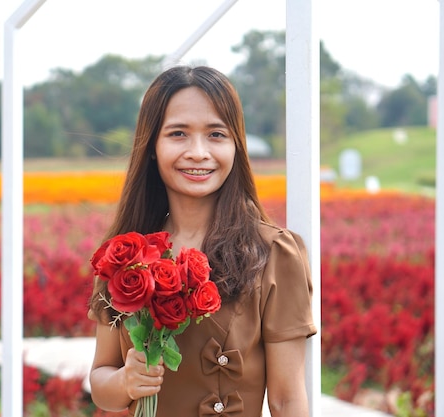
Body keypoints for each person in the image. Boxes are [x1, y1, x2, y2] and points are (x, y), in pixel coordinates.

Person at [88, 65, 317, 417]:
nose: (198, 152)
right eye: (178, 134)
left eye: (216, 135)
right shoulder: (124, 257)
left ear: (235, 145)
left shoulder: (273, 254)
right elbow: (102, 380)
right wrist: (126, 381)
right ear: (152, 146)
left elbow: (288, 401)